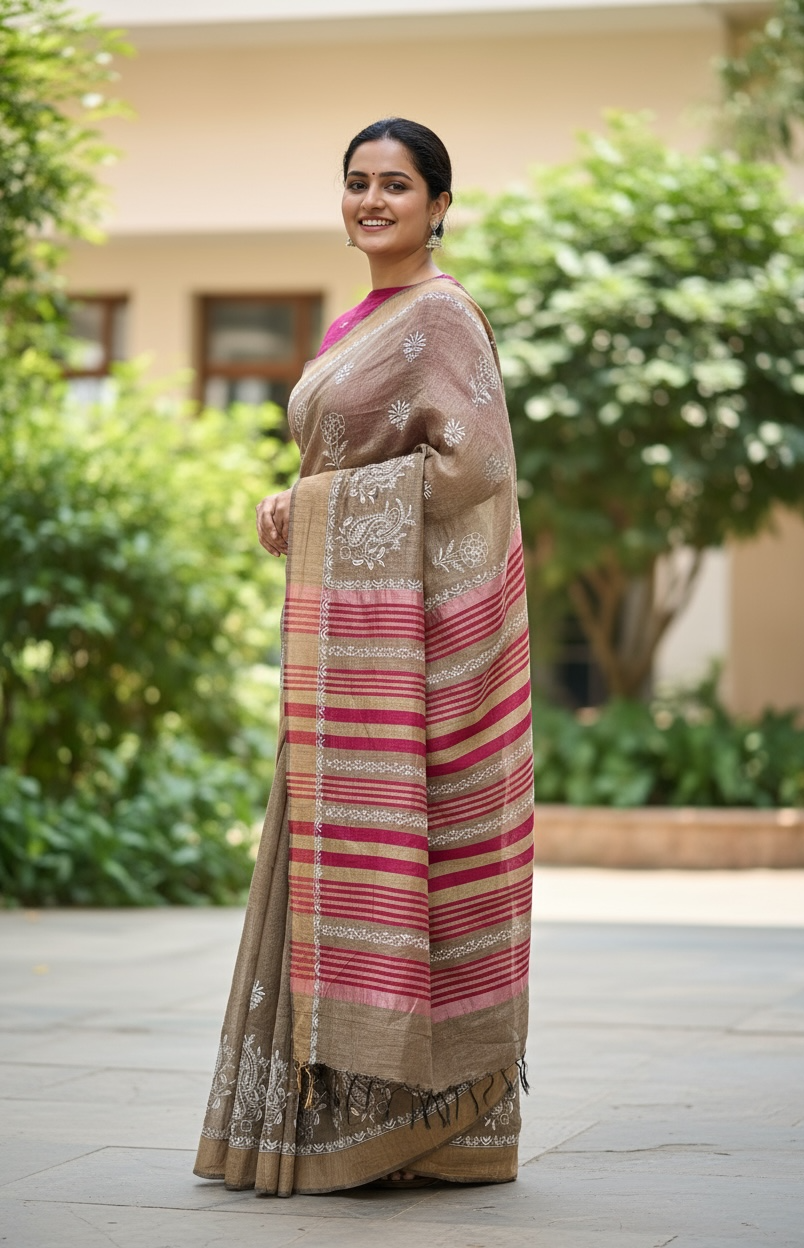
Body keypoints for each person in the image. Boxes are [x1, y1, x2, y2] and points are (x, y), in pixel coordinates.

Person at [194, 117, 534, 1197]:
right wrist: (304, 504)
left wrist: (319, 506)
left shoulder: (439, 315)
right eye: (356, 183)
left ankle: (420, 1125)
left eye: (396, 184)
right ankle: (327, 1121)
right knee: (319, 852)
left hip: (410, 651)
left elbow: (473, 465)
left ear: (440, 204)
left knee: (400, 865)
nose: (372, 201)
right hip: (349, 647)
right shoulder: (361, 319)